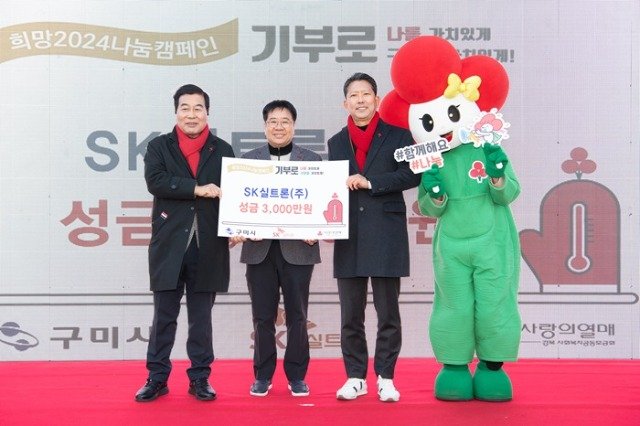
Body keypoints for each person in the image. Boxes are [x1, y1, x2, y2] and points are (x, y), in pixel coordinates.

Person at [134, 84, 235, 402]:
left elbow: (235, 195)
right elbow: (156, 181)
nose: (192, 114)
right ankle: (157, 378)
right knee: (163, 316)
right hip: (169, 246)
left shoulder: (223, 150)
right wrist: (197, 188)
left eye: (198, 108)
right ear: (176, 111)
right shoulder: (158, 147)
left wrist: (237, 226)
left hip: (209, 245)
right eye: (185, 108)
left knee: (201, 319)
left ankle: (200, 378)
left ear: (207, 113)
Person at [327, 73, 421, 402]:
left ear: (377, 100)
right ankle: (355, 377)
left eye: (366, 94)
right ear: (346, 103)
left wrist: (371, 183)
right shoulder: (336, 142)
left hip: (386, 234)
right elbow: (329, 188)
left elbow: (412, 174)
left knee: (387, 313)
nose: (361, 100)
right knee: (350, 315)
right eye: (354, 95)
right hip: (349, 235)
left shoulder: (399, 136)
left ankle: (386, 377)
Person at [233, 100, 321, 397]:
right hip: (259, 250)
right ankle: (262, 375)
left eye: (285, 121)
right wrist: (240, 227)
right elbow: (238, 205)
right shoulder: (247, 162)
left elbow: (323, 203)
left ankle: (297, 376)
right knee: (262, 316)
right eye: (273, 121)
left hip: (299, 249)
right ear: (265, 126)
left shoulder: (312, 161)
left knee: (298, 315)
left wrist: (318, 228)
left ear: (294, 126)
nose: (279, 127)